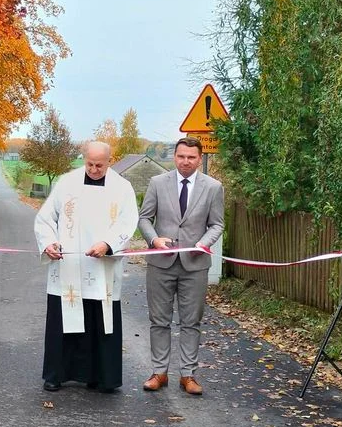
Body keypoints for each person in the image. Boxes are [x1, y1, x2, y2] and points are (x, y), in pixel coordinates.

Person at [33, 141, 138, 393]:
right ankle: (56, 374)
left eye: (99, 165)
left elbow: (128, 222)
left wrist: (108, 244)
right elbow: (45, 218)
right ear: (84, 159)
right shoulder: (67, 183)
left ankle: (101, 377)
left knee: (100, 322)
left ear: (109, 161)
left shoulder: (122, 188)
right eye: (89, 163)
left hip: (103, 267)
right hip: (68, 266)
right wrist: (49, 243)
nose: (93, 169)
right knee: (64, 321)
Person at [138, 136, 224, 395]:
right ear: (174, 157)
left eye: (191, 157)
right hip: (161, 263)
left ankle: (188, 375)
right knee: (159, 321)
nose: (185, 161)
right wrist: (154, 239)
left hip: (195, 264)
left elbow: (217, 223)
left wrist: (203, 243)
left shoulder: (213, 187)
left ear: (199, 158)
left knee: (191, 321)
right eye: (181, 156)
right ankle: (159, 372)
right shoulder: (157, 183)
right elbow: (144, 218)